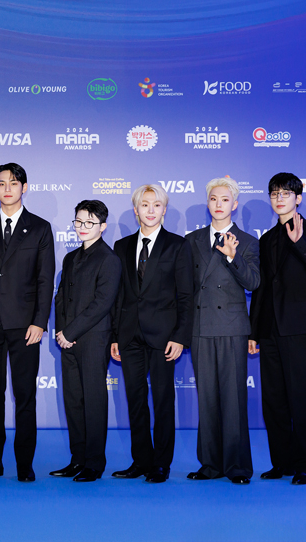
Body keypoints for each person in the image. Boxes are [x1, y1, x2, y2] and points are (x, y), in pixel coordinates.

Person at [0, 163, 55, 482]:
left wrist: (40, 322)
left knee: (25, 395)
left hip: (25, 325)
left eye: (14, 183)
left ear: (24, 187)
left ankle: (24, 463)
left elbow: (45, 279)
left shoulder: (40, 227)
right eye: (1, 183)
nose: (7, 188)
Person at [249, 172, 306, 485]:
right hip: (270, 328)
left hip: (298, 326)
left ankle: (305, 466)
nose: (279, 198)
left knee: (299, 396)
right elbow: (261, 289)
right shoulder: (266, 239)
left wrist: (300, 243)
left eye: (286, 193)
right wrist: (254, 332)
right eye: (275, 193)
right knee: (273, 399)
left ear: (298, 198)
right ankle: (282, 463)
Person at [111, 184, 193, 483]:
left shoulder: (178, 245)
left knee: (162, 401)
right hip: (129, 336)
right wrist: (114, 337)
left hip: (164, 338)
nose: (150, 210)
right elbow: (117, 296)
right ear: (136, 210)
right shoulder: (121, 246)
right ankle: (141, 461)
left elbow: (186, 295)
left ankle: (161, 464)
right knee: (135, 401)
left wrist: (180, 336)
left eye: (156, 205)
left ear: (164, 210)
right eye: (144, 205)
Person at [185, 177, 259, 485]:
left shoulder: (248, 241)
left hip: (232, 328)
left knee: (233, 398)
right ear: (207, 203)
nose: (219, 204)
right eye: (214, 199)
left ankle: (238, 466)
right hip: (200, 327)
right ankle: (210, 464)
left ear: (235, 204)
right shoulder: (192, 240)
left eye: (225, 199)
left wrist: (232, 256)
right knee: (207, 398)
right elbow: (185, 287)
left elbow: (253, 282)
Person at [51, 200, 121, 483]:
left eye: (89, 223)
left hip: (93, 339)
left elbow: (102, 303)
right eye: (78, 221)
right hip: (67, 341)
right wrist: (61, 332)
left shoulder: (109, 259)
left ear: (102, 226)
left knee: (93, 401)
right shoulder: (70, 258)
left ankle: (94, 462)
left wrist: (71, 332)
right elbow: (60, 298)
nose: (82, 227)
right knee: (73, 401)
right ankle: (77, 459)